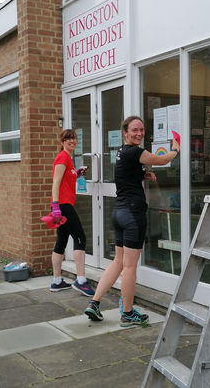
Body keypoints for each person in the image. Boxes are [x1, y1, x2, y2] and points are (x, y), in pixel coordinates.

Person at [85, 116, 180, 327]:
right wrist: (175, 149)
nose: (139, 133)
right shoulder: (135, 151)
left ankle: (94, 303)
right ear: (125, 133)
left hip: (119, 212)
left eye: (142, 130)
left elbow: (127, 175)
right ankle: (127, 313)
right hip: (132, 215)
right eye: (134, 130)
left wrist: (143, 176)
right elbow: (163, 160)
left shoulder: (122, 152)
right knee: (129, 267)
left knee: (118, 262)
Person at [49, 129, 95, 297]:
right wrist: (55, 206)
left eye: (74, 138)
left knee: (61, 240)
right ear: (62, 142)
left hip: (62, 204)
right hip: (63, 205)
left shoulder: (69, 159)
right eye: (68, 138)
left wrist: (78, 173)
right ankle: (81, 281)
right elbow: (56, 182)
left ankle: (57, 281)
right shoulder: (62, 157)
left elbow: (66, 180)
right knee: (80, 237)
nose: (72, 141)